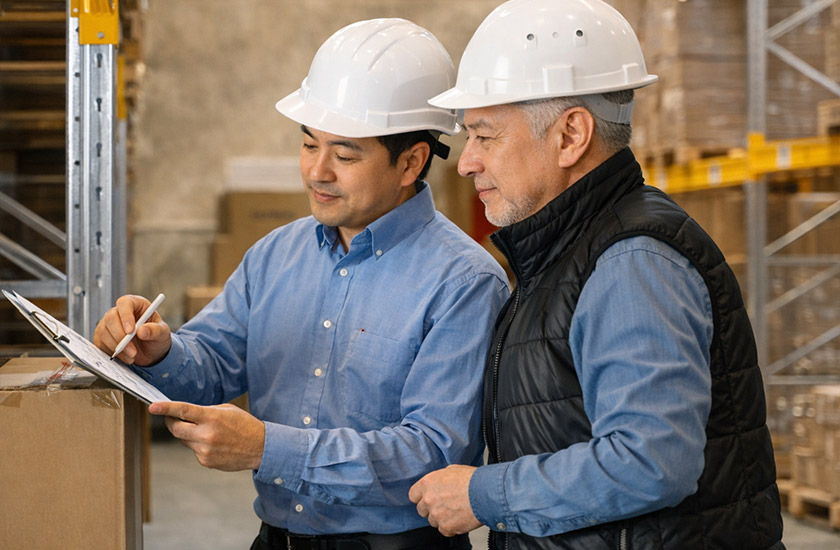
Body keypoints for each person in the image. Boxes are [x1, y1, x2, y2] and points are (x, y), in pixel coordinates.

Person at [95, 18, 509, 550]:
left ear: (411, 162)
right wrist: (158, 350)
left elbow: (432, 455)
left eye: (344, 154)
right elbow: (212, 362)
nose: (317, 172)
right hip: (277, 538)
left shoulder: (465, 282)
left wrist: (269, 449)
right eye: (309, 145)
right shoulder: (275, 254)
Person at [408, 1, 785, 549]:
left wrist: (483, 495)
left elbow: (651, 460)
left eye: (485, 136)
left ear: (570, 135)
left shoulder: (632, 262)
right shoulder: (567, 252)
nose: (466, 162)